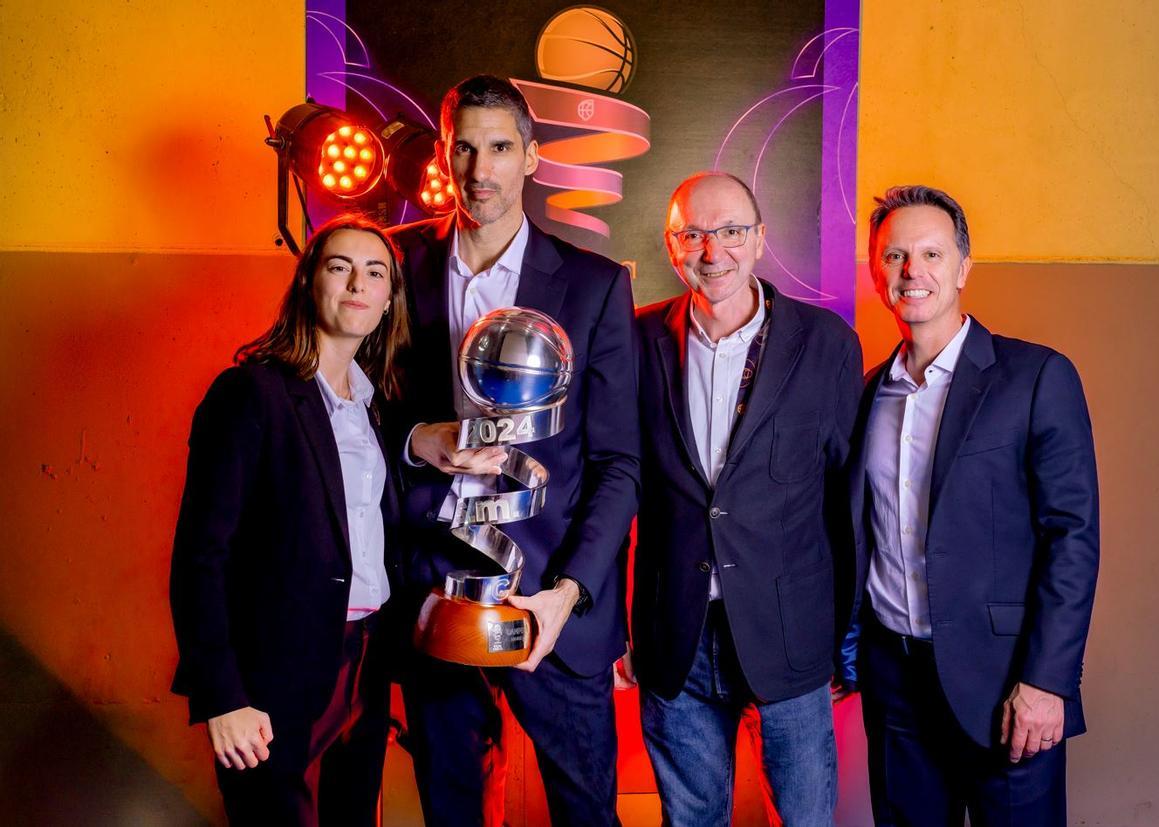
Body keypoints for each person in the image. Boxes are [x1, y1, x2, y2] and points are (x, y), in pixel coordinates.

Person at [387, 75, 638, 826]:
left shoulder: (593, 286)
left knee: (588, 812)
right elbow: (352, 422)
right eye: (464, 147)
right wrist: (419, 440)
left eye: (499, 148)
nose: (479, 169)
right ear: (442, 153)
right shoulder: (393, 269)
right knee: (452, 810)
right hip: (435, 595)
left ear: (532, 156)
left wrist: (568, 595)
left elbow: (619, 462)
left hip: (550, 603)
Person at [850, 185, 1100, 825]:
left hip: (1006, 685)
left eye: (931, 254)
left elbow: (1072, 538)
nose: (914, 272)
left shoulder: (1037, 376)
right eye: (895, 256)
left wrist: (1048, 682)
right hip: (895, 684)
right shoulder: (866, 393)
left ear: (963, 267)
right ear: (878, 272)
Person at [623, 171, 862, 825]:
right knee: (691, 818)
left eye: (730, 231)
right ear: (673, 247)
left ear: (758, 240)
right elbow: (620, 488)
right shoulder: (635, 342)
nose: (713, 250)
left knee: (806, 816)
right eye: (693, 234)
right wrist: (619, 629)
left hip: (792, 633)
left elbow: (847, 502)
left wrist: (845, 636)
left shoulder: (828, 344)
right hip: (677, 636)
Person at [169, 215, 409, 826]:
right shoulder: (251, 393)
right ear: (309, 284)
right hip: (275, 675)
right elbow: (201, 558)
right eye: (340, 267)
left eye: (375, 272)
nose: (358, 282)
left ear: (388, 301)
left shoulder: (375, 407)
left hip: (364, 663)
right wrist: (222, 698)